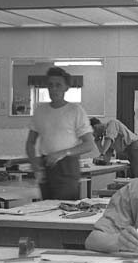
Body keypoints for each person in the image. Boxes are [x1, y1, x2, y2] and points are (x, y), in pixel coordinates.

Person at [25, 66, 94, 200]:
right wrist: (34, 163)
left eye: (58, 85)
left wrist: (63, 153)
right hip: (46, 166)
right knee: (46, 206)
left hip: (67, 167)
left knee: (64, 207)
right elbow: (30, 142)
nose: (54, 89)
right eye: (50, 85)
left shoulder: (75, 110)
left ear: (66, 87)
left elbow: (89, 144)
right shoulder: (40, 110)